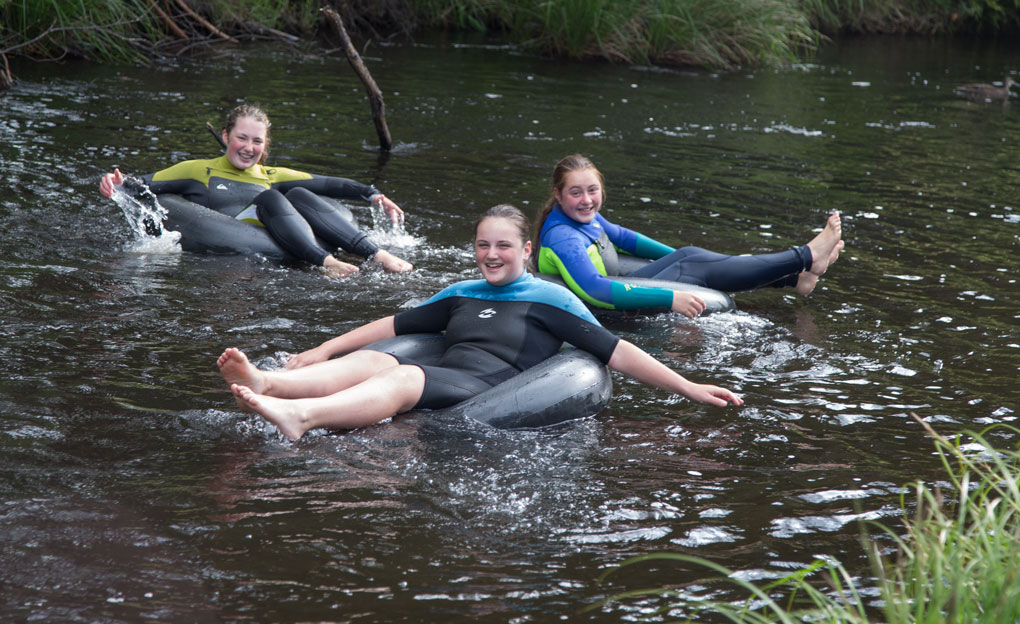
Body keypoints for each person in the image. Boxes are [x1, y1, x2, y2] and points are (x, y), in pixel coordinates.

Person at [217, 204, 742, 439]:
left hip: (489, 386)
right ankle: (270, 382)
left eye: (503, 246)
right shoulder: (461, 292)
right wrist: (324, 349)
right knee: (377, 360)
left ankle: (301, 416)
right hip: (449, 373)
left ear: (526, 250)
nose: (492, 255)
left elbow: (616, 352)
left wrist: (689, 387)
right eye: (483, 245)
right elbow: (393, 325)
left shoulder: (549, 300)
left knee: (401, 376)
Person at [99, 103, 412, 277]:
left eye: (257, 141)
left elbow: (329, 184)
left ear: (265, 145)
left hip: (284, 239)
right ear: (225, 136)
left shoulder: (273, 174)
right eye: (242, 138)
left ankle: (376, 253)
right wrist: (115, 182)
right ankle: (327, 263)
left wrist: (373, 194)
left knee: (298, 194)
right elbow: (143, 184)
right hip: (236, 242)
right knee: (271, 197)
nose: (249, 148)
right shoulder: (197, 170)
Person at [534, 154, 845, 317]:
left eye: (593, 190)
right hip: (605, 312)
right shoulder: (564, 237)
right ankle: (804, 257)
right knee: (692, 264)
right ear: (559, 195)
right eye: (576, 193)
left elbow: (625, 237)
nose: (587, 200)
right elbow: (596, 291)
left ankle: (795, 278)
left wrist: (677, 255)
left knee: (689, 255)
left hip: (612, 294)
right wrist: (671, 296)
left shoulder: (580, 217)